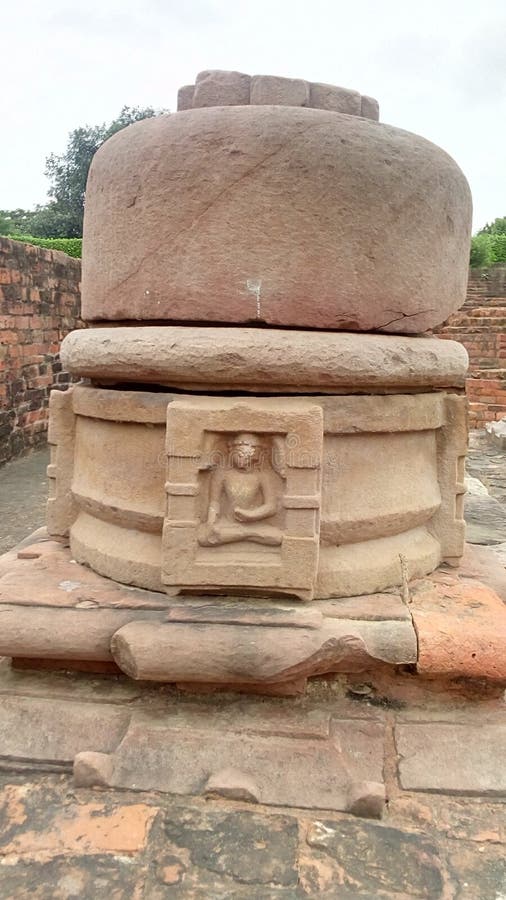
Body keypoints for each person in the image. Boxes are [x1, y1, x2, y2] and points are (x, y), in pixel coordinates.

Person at [198, 432, 283, 546]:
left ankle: (242, 534)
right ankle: (246, 535)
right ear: (232, 452)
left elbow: (271, 506)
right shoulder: (222, 474)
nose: (243, 460)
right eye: (239, 454)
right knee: (204, 537)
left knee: (277, 537)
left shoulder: (262, 476)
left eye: (248, 456)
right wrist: (211, 522)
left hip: (253, 524)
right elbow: (214, 503)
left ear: (256, 456)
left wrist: (251, 515)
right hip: (227, 523)